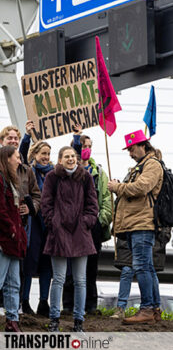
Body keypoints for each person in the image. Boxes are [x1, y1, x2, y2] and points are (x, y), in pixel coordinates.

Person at [41, 146, 99, 332]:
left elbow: (93, 205)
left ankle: (78, 322)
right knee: (58, 278)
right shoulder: (52, 177)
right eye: (66, 156)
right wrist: (54, 222)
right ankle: (54, 321)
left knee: (80, 280)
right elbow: (46, 203)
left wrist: (85, 222)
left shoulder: (86, 177)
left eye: (73, 156)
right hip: (58, 234)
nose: (71, 159)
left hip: (80, 234)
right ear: (59, 160)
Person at [108, 130, 163, 325]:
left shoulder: (152, 165)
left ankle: (146, 308)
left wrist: (118, 188)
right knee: (147, 267)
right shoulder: (140, 166)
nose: (130, 153)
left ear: (142, 146)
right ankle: (154, 308)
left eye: (132, 149)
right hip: (134, 224)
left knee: (140, 266)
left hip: (142, 224)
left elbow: (142, 188)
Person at [65, 127, 112, 315]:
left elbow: (107, 199)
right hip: (72, 226)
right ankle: (68, 305)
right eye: (84, 146)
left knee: (91, 268)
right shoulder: (68, 171)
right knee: (70, 267)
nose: (87, 149)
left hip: (92, 226)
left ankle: (90, 305)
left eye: (90, 146)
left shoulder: (99, 172)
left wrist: (101, 220)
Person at [20, 139, 53, 318]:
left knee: (47, 264)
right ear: (35, 155)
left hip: (49, 226)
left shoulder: (54, 173)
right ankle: (24, 301)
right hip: (33, 224)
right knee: (29, 263)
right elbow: (22, 154)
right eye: (43, 154)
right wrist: (26, 136)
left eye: (48, 154)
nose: (46, 157)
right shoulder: (29, 171)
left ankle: (43, 302)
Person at [0, 146, 28, 332]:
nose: (19, 161)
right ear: (7, 158)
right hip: (4, 239)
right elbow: (1, 210)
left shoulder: (11, 181)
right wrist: (10, 229)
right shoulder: (0, 179)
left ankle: (12, 320)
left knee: (13, 283)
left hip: (13, 241)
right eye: (17, 157)